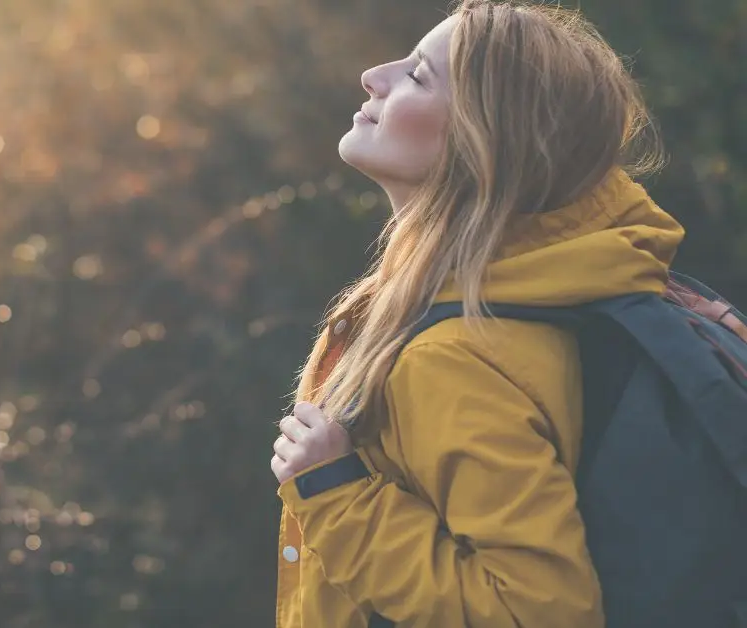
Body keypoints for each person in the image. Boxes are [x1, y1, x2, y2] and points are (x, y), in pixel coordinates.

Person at [269, 1, 685, 626]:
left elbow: (540, 611)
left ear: (481, 140)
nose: (374, 75)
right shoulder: (554, 289)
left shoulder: (453, 358)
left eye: (416, 76)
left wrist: (337, 494)